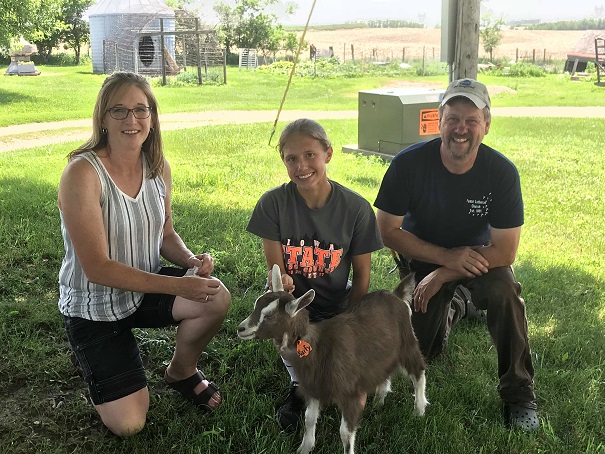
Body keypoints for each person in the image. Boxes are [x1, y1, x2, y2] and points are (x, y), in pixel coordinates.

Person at [57, 71, 231, 437]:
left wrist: (189, 262)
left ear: (152, 118)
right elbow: (97, 268)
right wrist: (177, 288)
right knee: (129, 424)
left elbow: (165, 233)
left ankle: (181, 371)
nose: (131, 120)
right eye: (118, 111)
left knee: (216, 296)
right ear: (102, 118)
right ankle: (97, 358)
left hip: (142, 290)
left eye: (140, 110)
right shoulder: (82, 174)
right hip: (94, 307)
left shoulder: (157, 168)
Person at [374, 78, 539, 431]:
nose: (461, 129)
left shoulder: (502, 172)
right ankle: (459, 305)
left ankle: (520, 393)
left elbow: (506, 251)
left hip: (479, 260)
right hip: (422, 257)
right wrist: (443, 259)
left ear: (486, 125)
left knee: (505, 291)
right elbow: (386, 230)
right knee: (424, 352)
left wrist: (448, 270)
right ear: (439, 121)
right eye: (452, 118)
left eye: (471, 119)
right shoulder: (408, 164)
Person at [246, 118, 383, 432]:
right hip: (298, 308)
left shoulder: (356, 209)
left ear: (328, 154)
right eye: (291, 158)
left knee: (353, 397)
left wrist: (352, 325)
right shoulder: (273, 204)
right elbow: (275, 272)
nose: (301, 166)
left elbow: (362, 276)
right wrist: (283, 284)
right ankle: (300, 385)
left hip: (340, 303)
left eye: (310, 155)